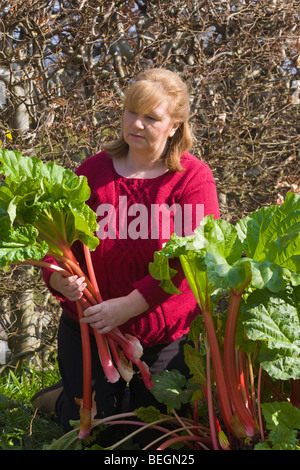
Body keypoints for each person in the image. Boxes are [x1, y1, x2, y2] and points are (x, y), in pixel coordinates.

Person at [33, 68, 220, 445]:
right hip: (92, 330)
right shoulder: (91, 172)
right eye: (130, 112)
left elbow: (188, 262)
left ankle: (83, 396)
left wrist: (130, 305)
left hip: (164, 336)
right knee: (100, 433)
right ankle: (59, 400)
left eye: (151, 117)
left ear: (174, 126)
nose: (136, 123)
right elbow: (54, 248)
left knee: (158, 437)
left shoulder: (192, 179)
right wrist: (58, 281)